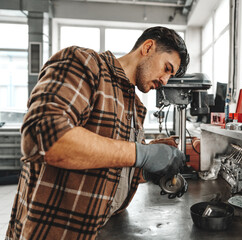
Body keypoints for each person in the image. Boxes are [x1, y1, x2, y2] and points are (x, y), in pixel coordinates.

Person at [6, 26, 190, 240]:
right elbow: (43, 137)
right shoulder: (86, 64)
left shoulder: (135, 108)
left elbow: (116, 166)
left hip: (98, 230)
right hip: (53, 232)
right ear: (148, 47)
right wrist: (143, 154)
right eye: (167, 68)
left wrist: (153, 170)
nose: (165, 82)